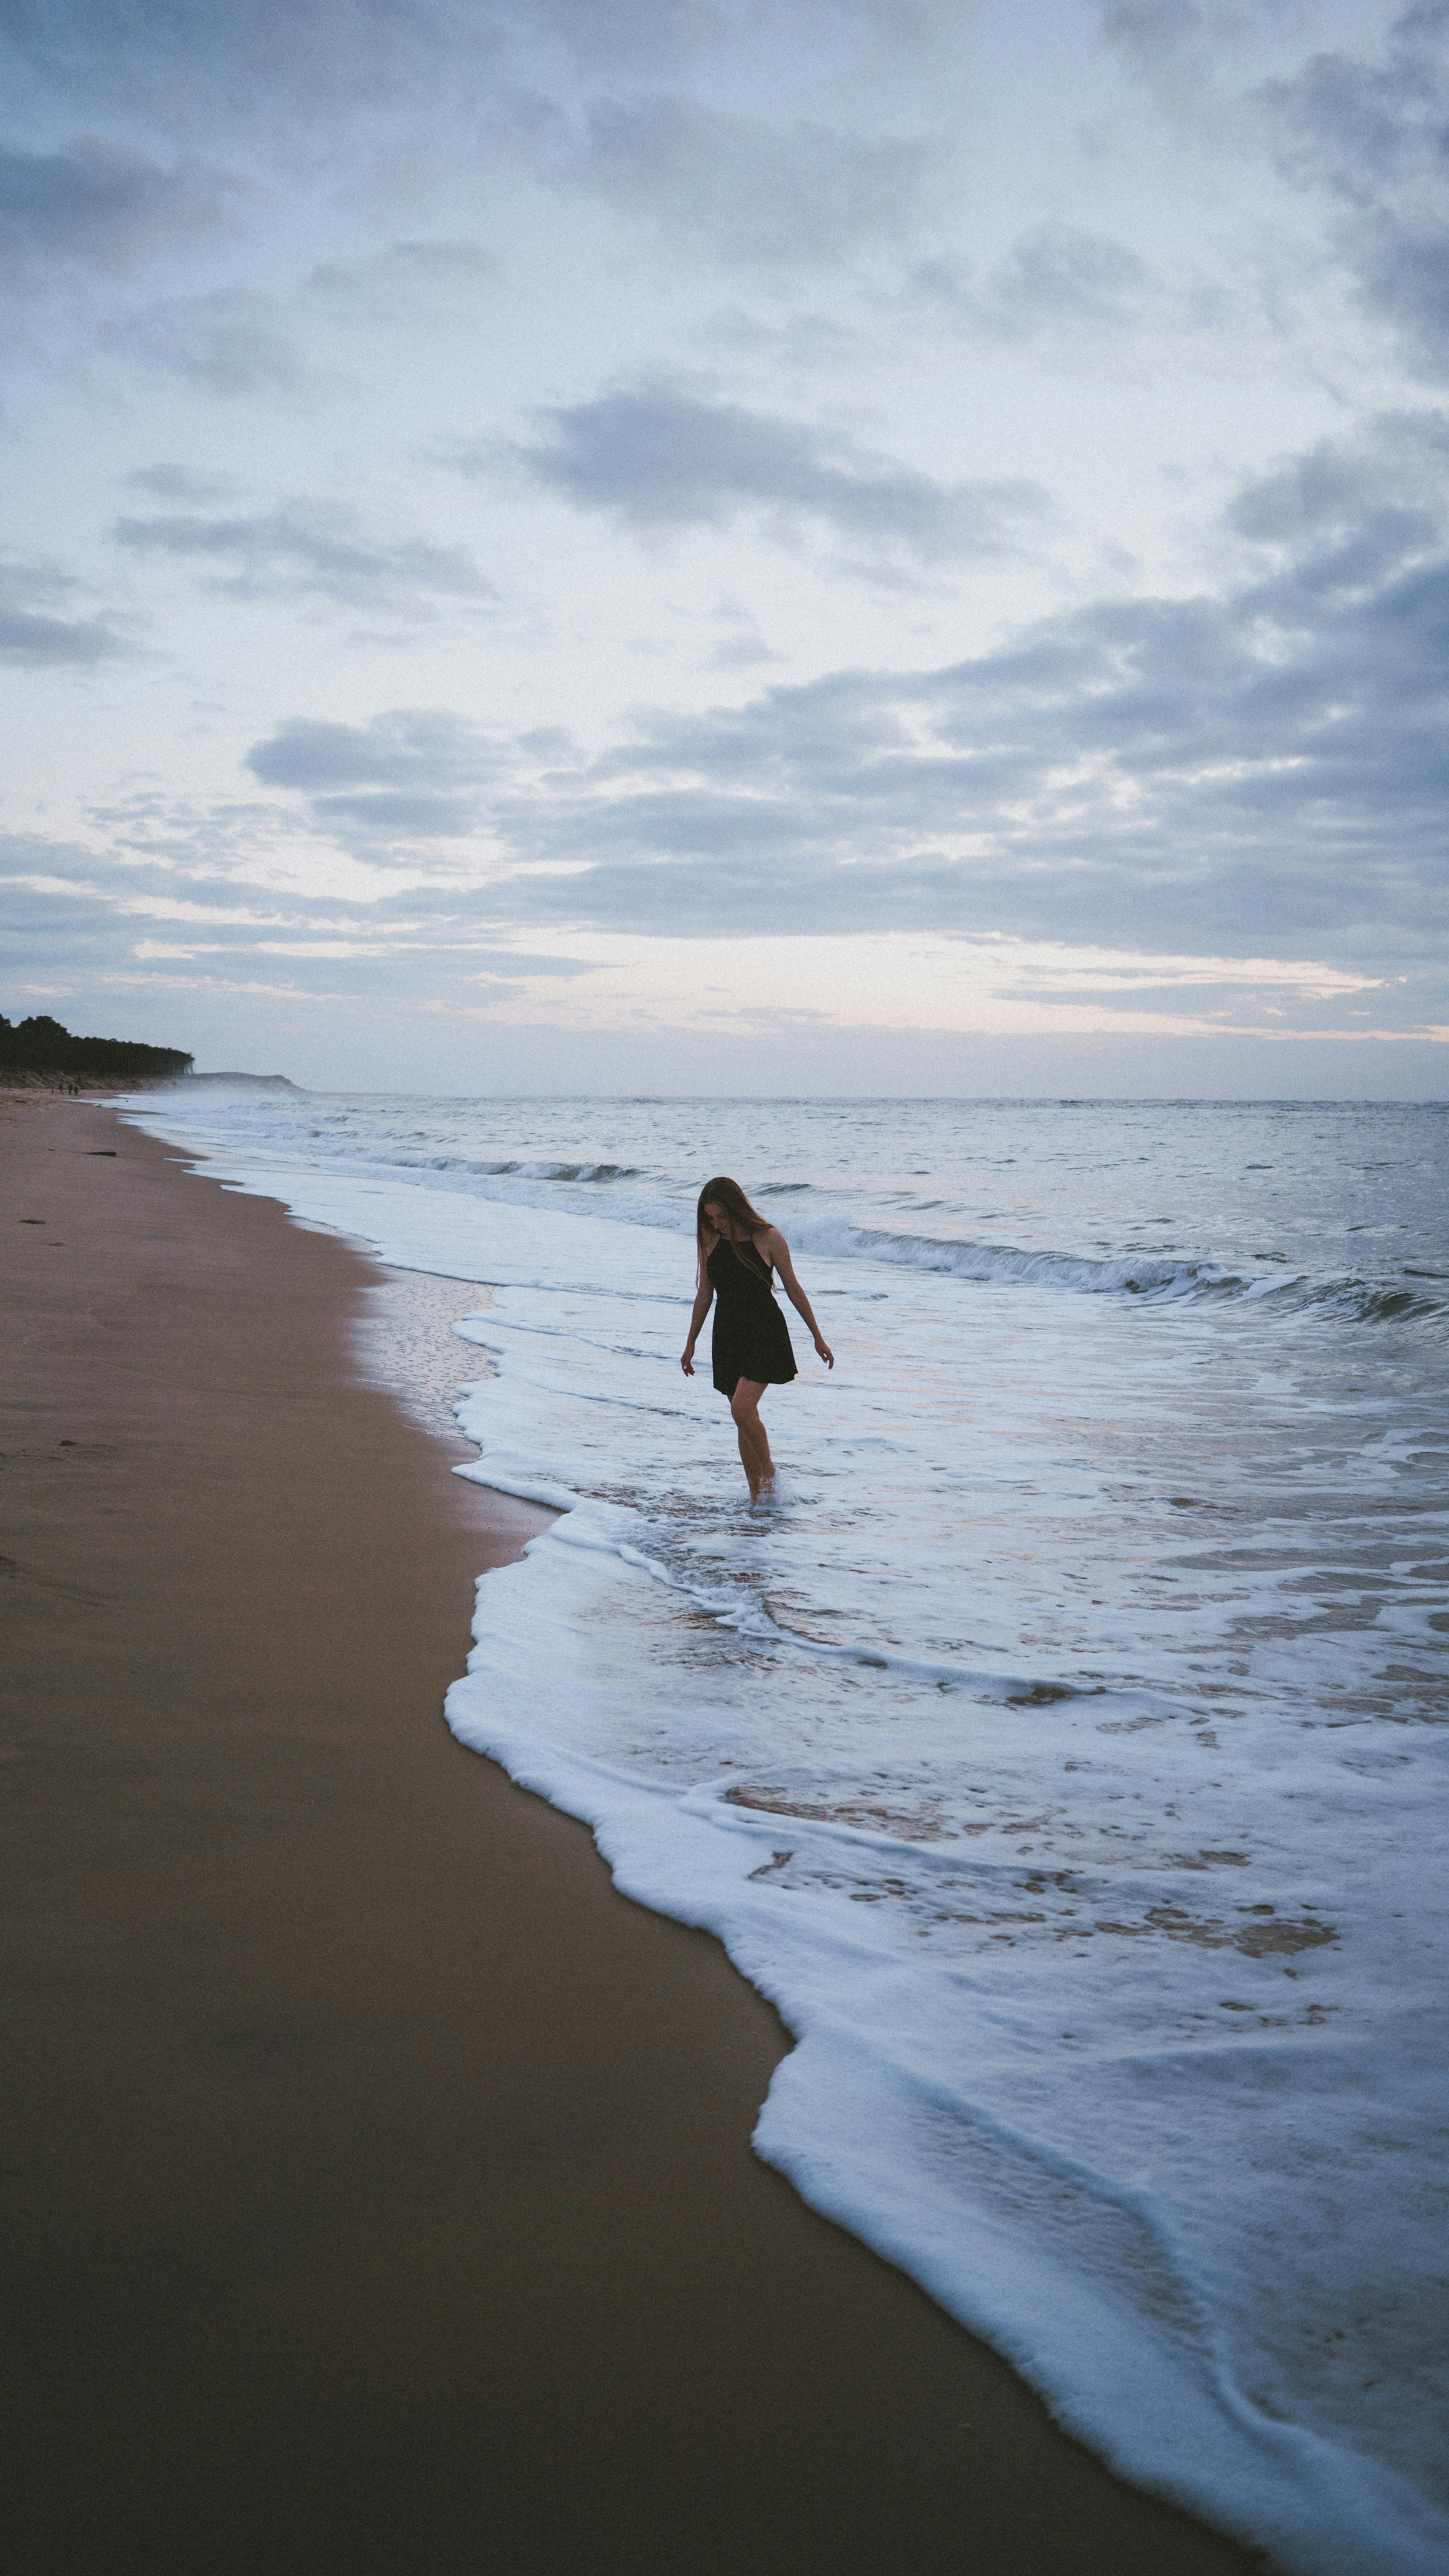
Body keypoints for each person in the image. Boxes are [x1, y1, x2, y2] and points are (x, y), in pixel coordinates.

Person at [680, 1176, 834, 1501]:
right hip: (727, 1334)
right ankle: (758, 1500)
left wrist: (817, 1336)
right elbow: (705, 1293)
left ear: (737, 1208)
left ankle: (771, 1478)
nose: (717, 1223)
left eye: (722, 1216)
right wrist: (691, 1342)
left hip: (765, 1331)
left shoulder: (768, 1237)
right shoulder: (709, 1239)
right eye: (711, 1218)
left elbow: (793, 1288)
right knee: (743, 1419)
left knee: (741, 1409)